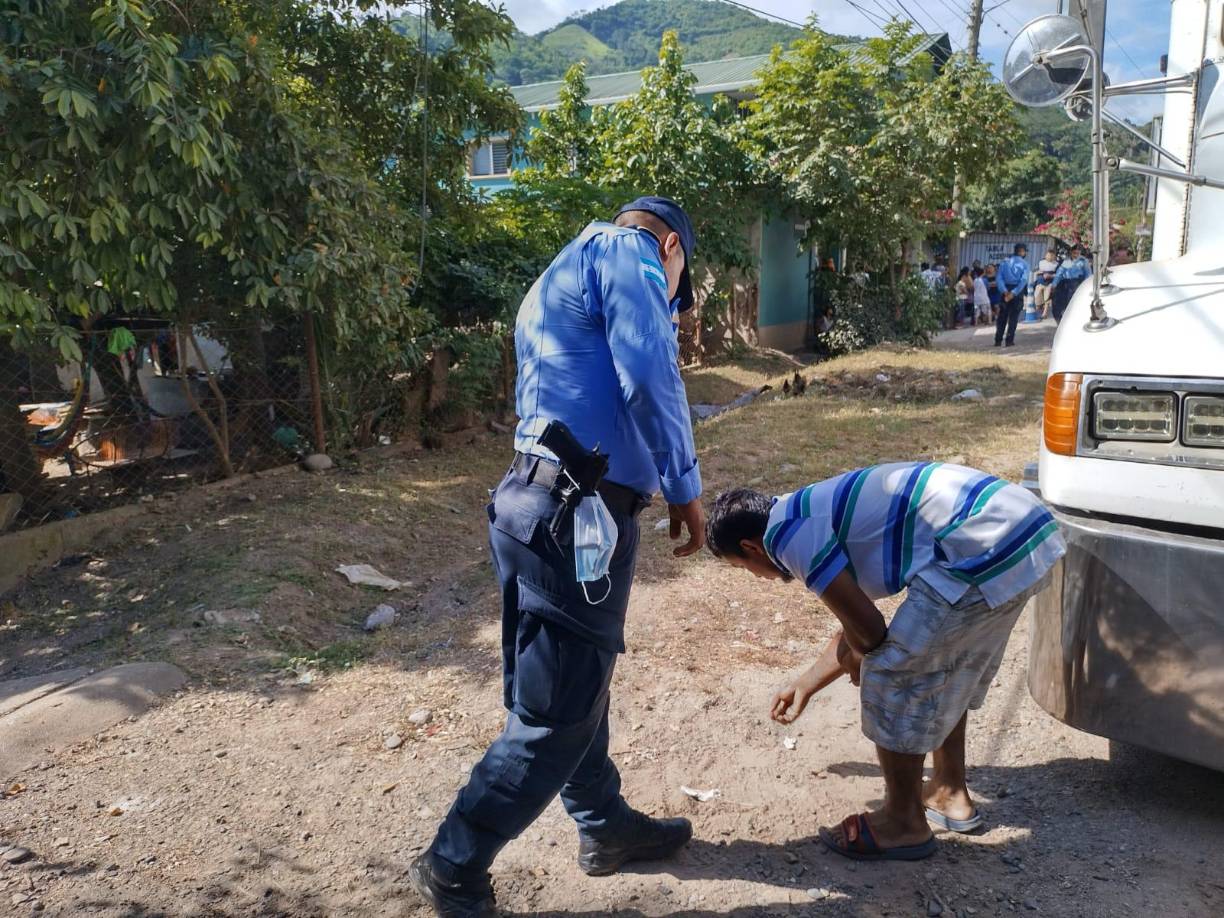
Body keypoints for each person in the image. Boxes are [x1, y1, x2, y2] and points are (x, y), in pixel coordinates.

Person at [410, 197, 706, 917]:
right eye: (680, 287)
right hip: (576, 516)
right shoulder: (627, 254)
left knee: (575, 683)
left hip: (530, 503)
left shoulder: (556, 272)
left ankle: (603, 825)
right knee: (553, 715)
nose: (675, 304)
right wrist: (685, 487)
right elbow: (650, 371)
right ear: (670, 246)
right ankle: (454, 863)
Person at [704, 463, 1066, 861]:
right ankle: (948, 791)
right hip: (1025, 532)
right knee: (941, 665)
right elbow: (853, 621)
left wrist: (864, 655)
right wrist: (807, 682)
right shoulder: (805, 512)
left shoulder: (785, 536)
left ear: (751, 548)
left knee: (892, 671)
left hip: (982, 545)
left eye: (743, 568)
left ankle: (902, 822)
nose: (757, 577)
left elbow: (869, 631)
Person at [995, 243, 1029, 347]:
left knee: (1002, 317)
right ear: (1022, 251)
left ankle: (998, 340)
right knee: (1013, 318)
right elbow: (1023, 281)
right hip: (1017, 292)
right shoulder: (1024, 264)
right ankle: (1009, 341)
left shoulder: (1004, 263)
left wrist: (1005, 291)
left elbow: (999, 278)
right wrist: (1013, 293)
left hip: (1005, 290)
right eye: (1025, 251)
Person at [1051, 244, 1091, 323]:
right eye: (1074, 253)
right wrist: (1054, 284)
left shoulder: (1083, 261)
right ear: (1071, 252)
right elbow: (1060, 273)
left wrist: (1087, 286)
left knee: (1072, 303)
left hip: (1077, 283)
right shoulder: (1067, 261)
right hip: (1065, 283)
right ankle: (1061, 321)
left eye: (1077, 253)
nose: (1076, 255)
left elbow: (1088, 274)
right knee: (1058, 303)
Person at [1033, 248, 1058, 319]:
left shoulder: (1056, 264)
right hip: (1040, 282)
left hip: (1050, 283)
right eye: (1049, 255)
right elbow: (1035, 271)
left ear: (1054, 256)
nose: (1050, 257)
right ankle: (1040, 308)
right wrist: (1038, 272)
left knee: (1047, 297)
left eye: (1052, 255)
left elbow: (1058, 274)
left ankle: (1045, 313)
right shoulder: (1041, 262)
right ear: (1046, 255)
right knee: (1037, 297)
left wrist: (1050, 275)